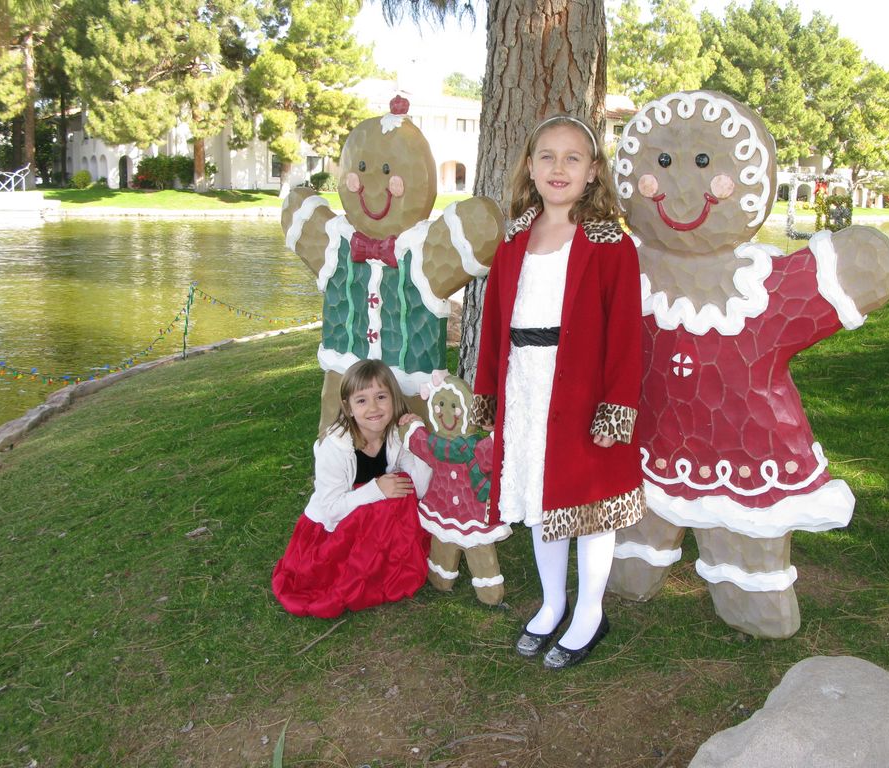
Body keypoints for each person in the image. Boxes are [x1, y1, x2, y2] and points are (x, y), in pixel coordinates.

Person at [473, 114, 646, 668]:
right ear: (530, 166)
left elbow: (624, 334)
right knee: (543, 498)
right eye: (547, 156)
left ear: (593, 172)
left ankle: (590, 613)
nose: (558, 168)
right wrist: (488, 392)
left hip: (580, 390)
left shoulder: (609, 244)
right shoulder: (514, 239)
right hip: (525, 385)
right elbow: (495, 323)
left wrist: (615, 407)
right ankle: (553, 604)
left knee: (588, 506)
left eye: (573, 158)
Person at [272, 359, 433, 618]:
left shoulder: (393, 435)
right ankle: (363, 571)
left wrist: (416, 438)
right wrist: (376, 489)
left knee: (403, 489)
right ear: (348, 407)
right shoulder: (333, 447)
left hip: (363, 521)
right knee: (386, 494)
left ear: (394, 398)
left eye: (381, 397)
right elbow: (332, 510)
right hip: (328, 529)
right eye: (362, 401)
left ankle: (383, 568)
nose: (373, 408)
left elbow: (421, 488)